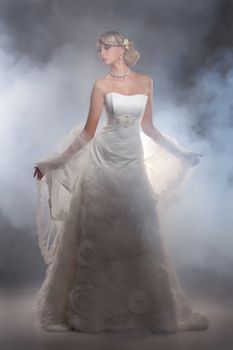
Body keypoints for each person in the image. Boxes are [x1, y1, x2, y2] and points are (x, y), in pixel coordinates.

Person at [33, 31, 208, 333]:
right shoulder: (101, 85)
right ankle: (89, 309)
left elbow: (150, 128)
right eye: (98, 48)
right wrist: (55, 161)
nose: (100, 52)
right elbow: (88, 132)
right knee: (98, 232)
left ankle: (142, 309)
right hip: (102, 162)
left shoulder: (146, 82)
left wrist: (181, 152)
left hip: (132, 162)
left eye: (104, 47)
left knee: (141, 233)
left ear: (120, 49)